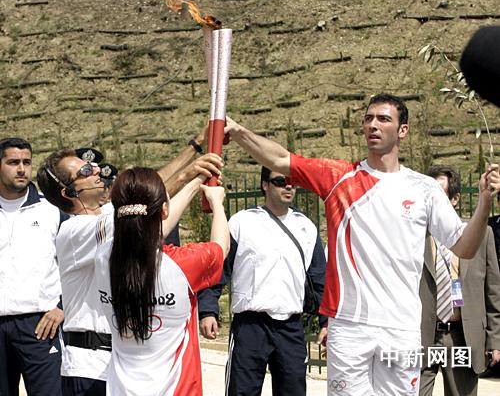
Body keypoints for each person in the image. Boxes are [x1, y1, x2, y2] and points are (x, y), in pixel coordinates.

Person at [222, 93, 500, 395]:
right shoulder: (338, 177)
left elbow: (464, 247)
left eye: (383, 119)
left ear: (402, 130)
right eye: (368, 118)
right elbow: (278, 159)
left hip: (401, 327)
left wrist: (485, 202)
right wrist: (237, 131)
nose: (373, 125)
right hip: (349, 327)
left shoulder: (425, 189)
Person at [36, 138, 222, 395]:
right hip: (89, 365)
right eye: (86, 171)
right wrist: (189, 176)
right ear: (68, 192)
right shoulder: (74, 231)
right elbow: (145, 210)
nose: (96, 170)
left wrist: (195, 163)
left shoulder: (106, 216)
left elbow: (149, 207)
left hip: (117, 363)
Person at [94, 167, 229, 396]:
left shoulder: (102, 257)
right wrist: (216, 203)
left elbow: (144, 230)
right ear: (164, 210)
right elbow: (221, 247)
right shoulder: (181, 264)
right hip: (178, 390)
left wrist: (196, 181)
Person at [198, 166, 327, 396]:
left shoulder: (306, 227)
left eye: (293, 182)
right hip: (250, 326)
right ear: (265, 185)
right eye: (280, 181)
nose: (288, 186)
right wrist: (208, 310)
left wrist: (326, 322)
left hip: (290, 327)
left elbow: (320, 280)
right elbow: (217, 269)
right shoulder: (241, 222)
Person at [419, 165, 500, 396]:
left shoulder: (481, 234)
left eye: (439, 196)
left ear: (454, 199)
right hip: (422, 335)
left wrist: (494, 340)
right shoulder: (414, 234)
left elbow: (493, 290)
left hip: (462, 336)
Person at [0, 137, 65, 396]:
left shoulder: (52, 211)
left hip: (40, 326)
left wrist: (62, 306)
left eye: (26, 162)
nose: (21, 169)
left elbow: (78, 266)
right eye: (13, 162)